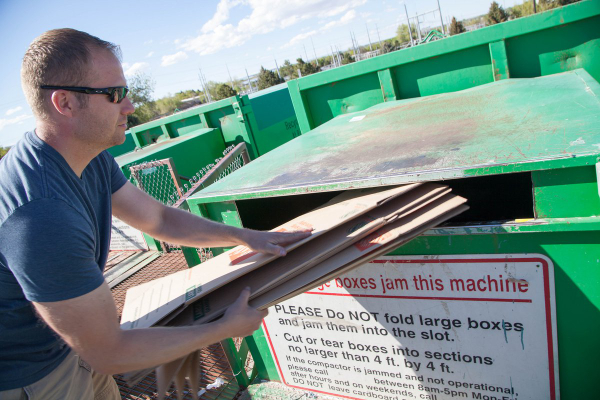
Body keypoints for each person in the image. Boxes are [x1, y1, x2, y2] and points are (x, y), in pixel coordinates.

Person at [0, 29, 310, 400]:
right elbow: (109, 351)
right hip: (31, 375)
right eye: (114, 94)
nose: (129, 106)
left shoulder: (87, 156)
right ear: (64, 103)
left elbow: (159, 220)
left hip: (72, 346)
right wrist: (226, 327)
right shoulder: (41, 215)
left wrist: (245, 236)